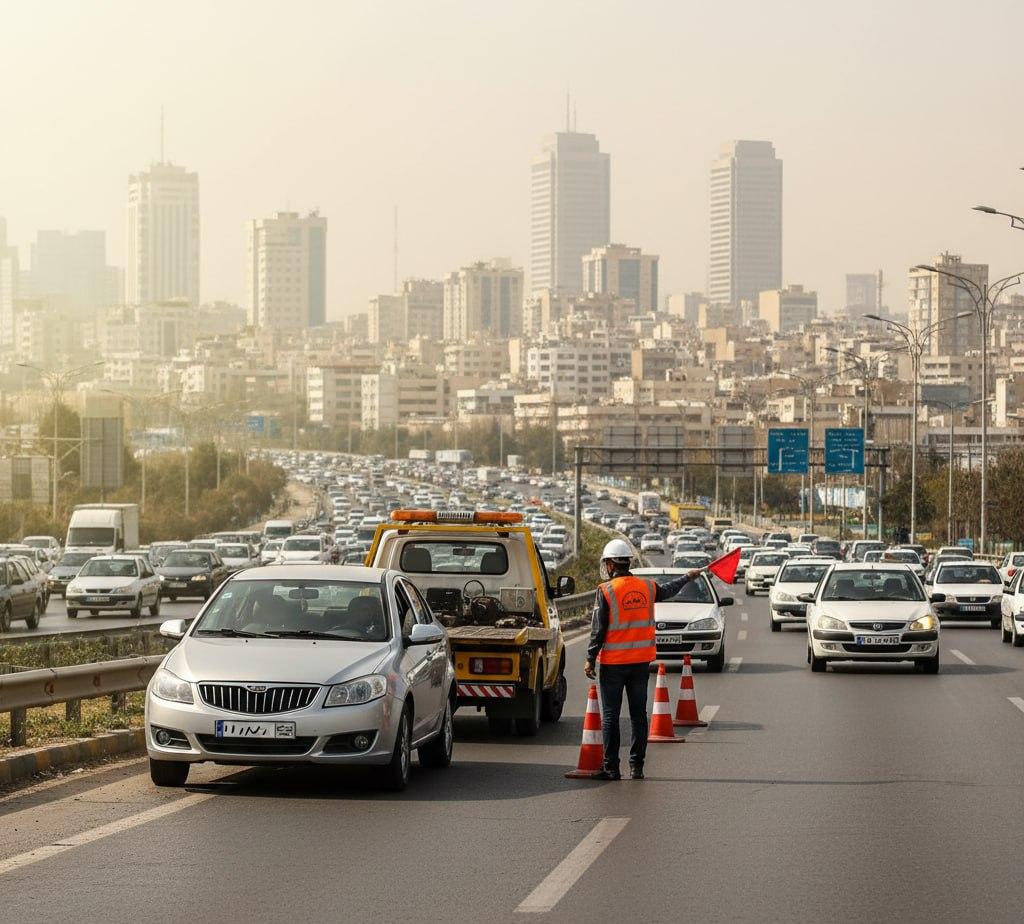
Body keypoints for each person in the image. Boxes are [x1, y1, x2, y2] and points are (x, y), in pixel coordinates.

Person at [584, 538, 701, 780]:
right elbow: (669, 590)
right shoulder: (647, 587)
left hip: (613, 664)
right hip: (639, 663)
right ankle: (637, 767)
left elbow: (599, 629)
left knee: (610, 717)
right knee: (639, 715)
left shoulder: (605, 590)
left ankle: (612, 768)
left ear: (610, 565)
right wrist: (688, 577)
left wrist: (590, 658)